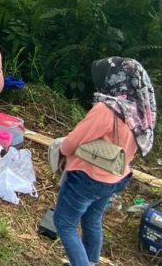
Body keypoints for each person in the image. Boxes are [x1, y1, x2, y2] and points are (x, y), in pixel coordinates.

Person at [54, 57, 156, 266]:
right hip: (116, 177)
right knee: (92, 219)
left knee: (64, 223)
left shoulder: (107, 109)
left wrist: (61, 152)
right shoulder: (139, 111)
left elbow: (73, 141)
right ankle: (91, 261)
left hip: (88, 177)